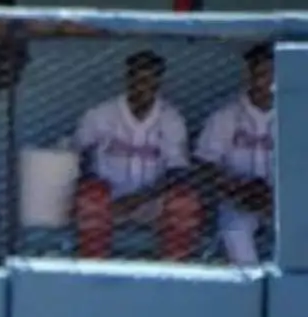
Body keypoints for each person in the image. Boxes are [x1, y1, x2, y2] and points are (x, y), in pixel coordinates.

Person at [71, 50, 202, 260]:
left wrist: (139, 198)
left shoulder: (171, 118)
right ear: (127, 78)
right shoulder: (100, 114)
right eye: (138, 77)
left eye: (150, 78)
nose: (143, 84)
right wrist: (95, 184)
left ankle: (175, 270)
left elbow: (177, 171)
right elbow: (77, 157)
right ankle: (93, 269)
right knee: (90, 197)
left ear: (159, 81)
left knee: (183, 201)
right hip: (107, 199)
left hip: (152, 201)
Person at [193, 43, 275, 265]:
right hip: (237, 198)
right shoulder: (225, 115)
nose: (265, 82)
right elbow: (204, 163)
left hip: (283, 199)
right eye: (259, 74)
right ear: (248, 75)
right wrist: (235, 189)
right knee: (235, 231)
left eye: (270, 74)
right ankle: (252, 289)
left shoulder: (296, 114)